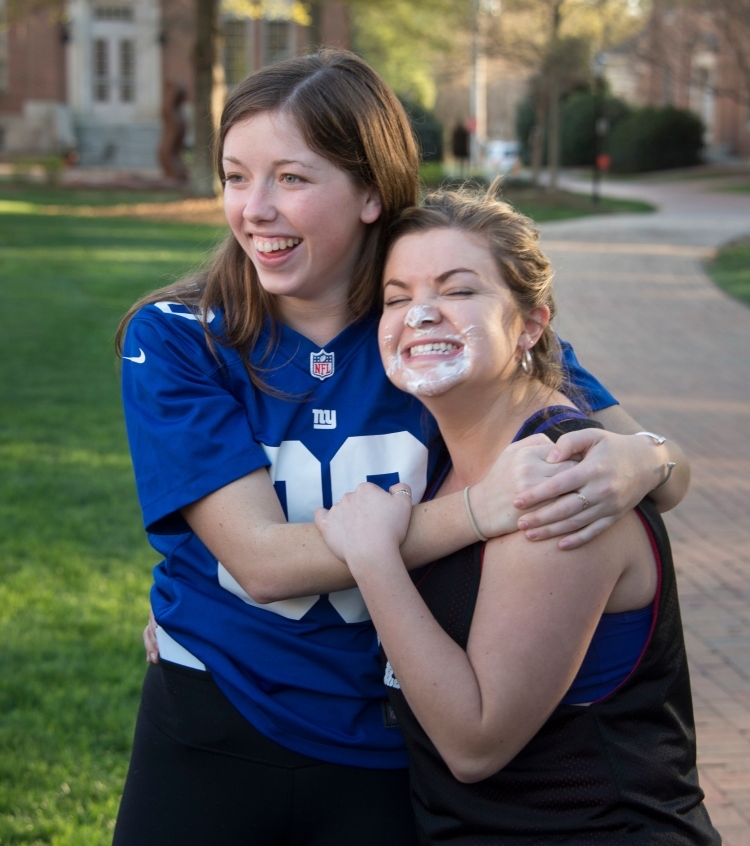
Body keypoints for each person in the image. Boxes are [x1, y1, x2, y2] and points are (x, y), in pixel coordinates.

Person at [114, 50, 688, 846]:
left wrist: (646, 458)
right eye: (235, 176)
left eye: (292, 177)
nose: (255, 208)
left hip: (387, 732)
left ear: (372, 191)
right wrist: (483, 509)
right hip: (215, 706)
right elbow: (264, 562)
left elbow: (651, 461)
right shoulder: (180, 336)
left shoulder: (433, 328)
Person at [315, 186, 718, 844]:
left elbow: (476, 743)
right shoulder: (443, 453)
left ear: (530, 324)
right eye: (397, 296)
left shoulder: (565, 479)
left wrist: (374, 559)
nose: (420, 314)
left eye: (457, 289)